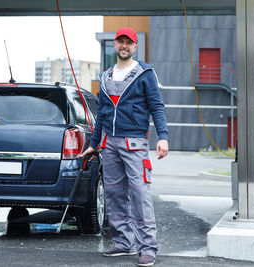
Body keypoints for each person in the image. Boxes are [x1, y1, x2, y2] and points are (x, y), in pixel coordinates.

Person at [81, 27, 169, 267]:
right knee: (114, 194)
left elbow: (157, 107)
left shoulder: (145, 74)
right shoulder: (106, 76)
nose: (124, 45)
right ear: (115, 45)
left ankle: (148, 248)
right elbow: (101, 115)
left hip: (135, 144)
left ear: (135, 46)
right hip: (109, 144)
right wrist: (93, 143)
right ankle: (124, 243)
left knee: (140, 195)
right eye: (120, 41)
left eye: (128, 42)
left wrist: (163, 137)